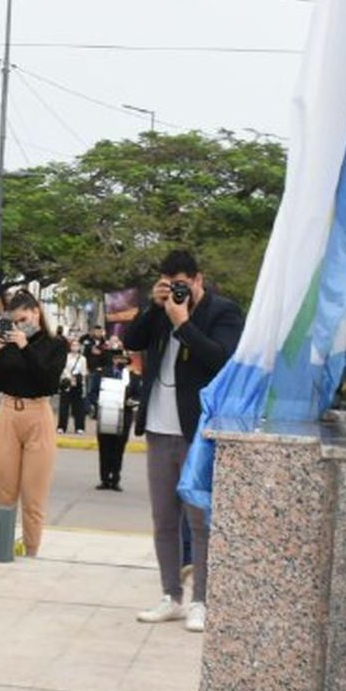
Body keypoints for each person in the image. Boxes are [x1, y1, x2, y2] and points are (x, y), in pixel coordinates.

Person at [121, 249, 245, 634]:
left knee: (200, 520)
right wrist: (152, 308)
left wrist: (184, 322)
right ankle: (170, 596)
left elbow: (221, 360)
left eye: (183, 284)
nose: (176, 291)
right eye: (169, 283)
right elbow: (132, 339)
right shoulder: (160, 312)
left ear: (198, 280)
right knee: (163, 519)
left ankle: (201, 601)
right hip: (159, 427)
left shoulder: (222, 312)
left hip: (198, 432)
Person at [0, 290, 67, 557]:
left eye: (23, 319)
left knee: (34, 495)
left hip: (38, 413)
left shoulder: (55, 345)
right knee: (4, 491)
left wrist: (25, 347)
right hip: (9, 411)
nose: (19, 326)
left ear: (36, 313)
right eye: (15, 321)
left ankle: (31, 550)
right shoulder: (9, 342)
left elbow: (48, 381)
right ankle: (2, 548)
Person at [94, 340, 142, 491]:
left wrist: (132, 402)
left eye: (122, 359)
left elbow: (139, 396)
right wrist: (99, 402)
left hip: (124, 416)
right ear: (113, 360)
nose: (119, 361)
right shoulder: (103, 373)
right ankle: (104, 479)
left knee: (118, 449)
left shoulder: (132, 377)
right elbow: (92, 393)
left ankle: (115, 479)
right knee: (104, 448)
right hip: (105, 414)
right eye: (117, 358)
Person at [58, 340, 88, 434]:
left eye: (77, 345)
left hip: (78, 384)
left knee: (78, 407)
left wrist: (78, 380)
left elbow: (84, 372)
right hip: (66, 383)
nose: (75, 347)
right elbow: (63, 369)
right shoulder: (65, 357)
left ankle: (79, 427)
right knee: (64, 407)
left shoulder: (82, 359)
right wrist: (69, 378)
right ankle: (62, 427)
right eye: (73, 345)